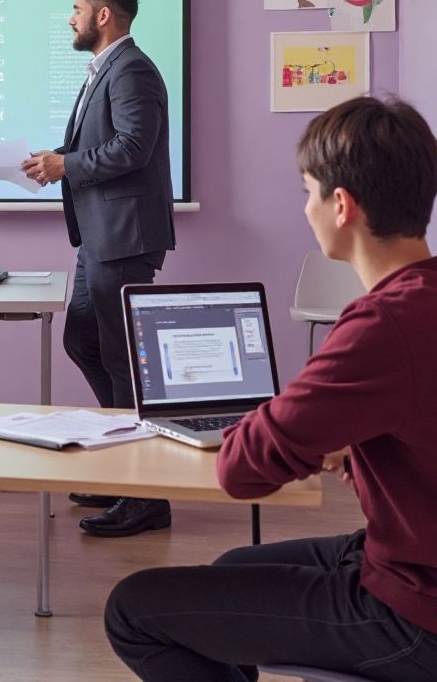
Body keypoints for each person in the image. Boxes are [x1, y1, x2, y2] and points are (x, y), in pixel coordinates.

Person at [105, 95, 437, 682]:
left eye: (307, 191)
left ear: (341, 205)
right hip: (403, 552)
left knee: (134, 610)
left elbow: (242, 471)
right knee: (235, 565)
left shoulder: (383, 322)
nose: (304, 207)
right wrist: (343, 438)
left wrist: (288, 423)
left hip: (415, 611)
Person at [22, 0, 175, 538]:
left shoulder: (130, 68)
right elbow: (106, 143)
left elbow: (135, 147)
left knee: (123, 360)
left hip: (124, 235)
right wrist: (56, 159)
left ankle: (146, 496)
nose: (70, 18)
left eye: (76, 8)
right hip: (100, 234)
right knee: (82, 340)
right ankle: (118, 470)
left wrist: (69, 166)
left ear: (104, 15)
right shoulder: (106, 68)